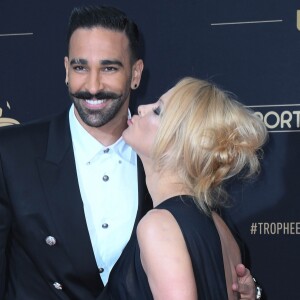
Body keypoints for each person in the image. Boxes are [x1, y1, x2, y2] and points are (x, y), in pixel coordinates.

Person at [0, 5, 259, 300]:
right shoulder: (11, 154)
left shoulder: (167, 164)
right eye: (80, 67)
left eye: (109, 68)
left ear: (136, 74)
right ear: (66, 70)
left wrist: (252, 291)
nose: (93, 86)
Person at [100, 77, 267, 299]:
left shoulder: (159, 225)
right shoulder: (221, 228)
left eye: (158, 111)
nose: (141, 108)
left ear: (180, 143)